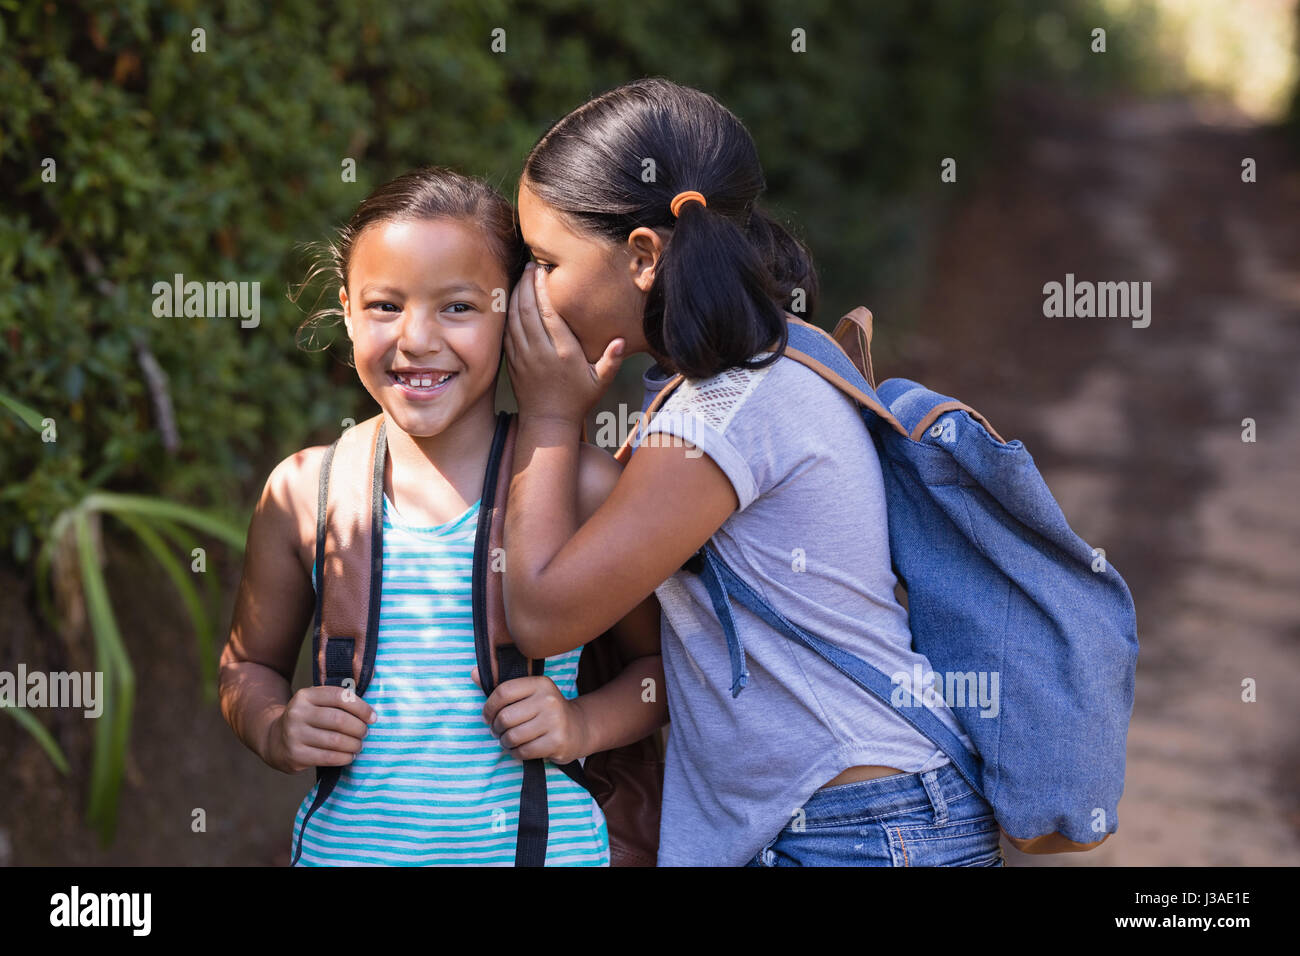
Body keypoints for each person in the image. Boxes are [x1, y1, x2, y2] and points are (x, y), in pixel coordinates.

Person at [501, 77, 1005, 866]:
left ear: (641, 256)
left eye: (543, 260)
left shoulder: (722, 410)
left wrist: (549, 415)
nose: (525, 292)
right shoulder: (760, 370)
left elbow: (541, 614)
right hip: (862, 820)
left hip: (863, 831)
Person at [218, 166, 665, 866]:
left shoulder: (578, 483)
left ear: (517, 311)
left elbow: (660, 672)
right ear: (345, 310)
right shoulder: (305, 491)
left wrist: (579, 723)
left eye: (458, 307)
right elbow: (245, 666)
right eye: (384, 306)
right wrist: (275, 725)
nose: (417, 339)